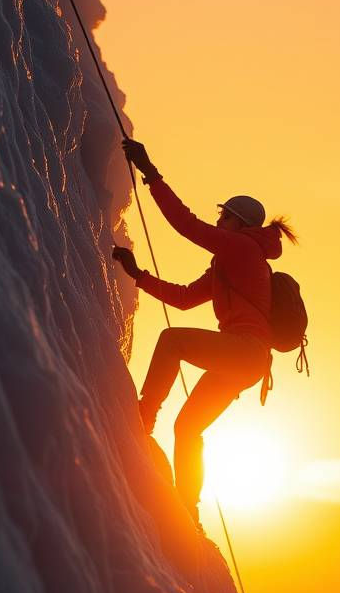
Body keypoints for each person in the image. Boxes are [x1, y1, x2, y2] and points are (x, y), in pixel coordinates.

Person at [113, 137, 296, 521]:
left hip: (243, 351)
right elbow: (183, 298)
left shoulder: (241, 248)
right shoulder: (231, 261)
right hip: (248, 361)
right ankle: (189, 509)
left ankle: (145, 415)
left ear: (239, 224)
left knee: (172, 341)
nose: (218, 223)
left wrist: (150, 173)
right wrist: (138, 276)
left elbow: (187, 226)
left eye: (224, 217)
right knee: (188, 427)